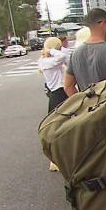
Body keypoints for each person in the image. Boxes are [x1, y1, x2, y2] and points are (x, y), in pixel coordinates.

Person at [63, 8, 106, 96]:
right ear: (103, 23)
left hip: (89, 108)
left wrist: (83, 104)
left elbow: (68, 87)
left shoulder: (75, 54)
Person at [38, 36, 68, 172]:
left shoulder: (48, 60)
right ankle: (56, 160)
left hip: (60, 93)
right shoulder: (46, 61)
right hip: (58, 93)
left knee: (63, 128)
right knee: (58, 129)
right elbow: (61, 56)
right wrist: (51, 50)